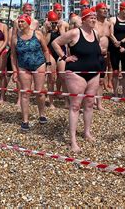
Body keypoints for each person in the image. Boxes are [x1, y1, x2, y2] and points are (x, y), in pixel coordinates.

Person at [51, 8, 102, 152]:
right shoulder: (75, 33)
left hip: (93, 73)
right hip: (76, 73)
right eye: (91, 17)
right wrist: (64, 57)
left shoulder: (96, 33)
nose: (93, 20)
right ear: (84, 19)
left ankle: (87, 132)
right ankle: (73, 140)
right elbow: (55, 43)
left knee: (90, 104)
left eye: (95, 18)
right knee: (75, 106)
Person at [11, 14, 50, 130]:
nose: (20, 24)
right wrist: (14, 71)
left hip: (39, 64)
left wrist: (48, 66)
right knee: (25, 93)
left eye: (22, 22)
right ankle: (25, 120)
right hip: (23, 66)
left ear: (28, 22)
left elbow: (45, 50)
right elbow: (13, 56)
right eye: (19, 22)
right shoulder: (15, 38)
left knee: (40, 92)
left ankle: (42, 114)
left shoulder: (37, 34)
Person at [108, 2, 125, 97]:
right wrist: (117, 44)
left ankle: (124, 94)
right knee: (115, 72)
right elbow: (111, 34)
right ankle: (115, 93)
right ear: (121, 9)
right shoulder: (113, 19)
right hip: (115, 48)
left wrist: (121, 43)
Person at [43, 10, 65, 109]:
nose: (54, 24)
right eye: (52, 23)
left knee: (63, 77)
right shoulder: (45, 29)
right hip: (50, 53)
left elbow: (64, 39)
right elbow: (45, 44)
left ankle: (66, 101)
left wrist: (59, 28)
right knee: (51, 79)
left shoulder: (61, 27)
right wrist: (48, 31)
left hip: (59, 53)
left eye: (55, 22)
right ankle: (51, 102)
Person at [93, 2, 111, 111]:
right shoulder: (93, 23)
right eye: (103, 9)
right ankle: (89, 102)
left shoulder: (108, 24)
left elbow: (110, 37)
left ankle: (99, 104)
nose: (105, 11)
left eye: (106, 9)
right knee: (90, 80)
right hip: (93, 55)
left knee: (100, 80)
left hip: (104, 56)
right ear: (97, 11)